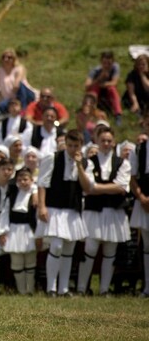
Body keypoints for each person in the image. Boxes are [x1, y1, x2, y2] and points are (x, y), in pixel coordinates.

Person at [36, 129, 91, 297]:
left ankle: (63, 288)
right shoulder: (53, 158)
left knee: (69, 249)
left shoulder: (85, 163)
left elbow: (87, 187)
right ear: (65, 144)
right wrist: (42, 206)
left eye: (76, 146)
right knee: (57, 245)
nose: (73, 149)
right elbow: (42, 183)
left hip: (72, 210)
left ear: (81, 146)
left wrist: (80, 166)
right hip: (54, 208)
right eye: (70, 145)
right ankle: (51, 288)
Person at [77, 126, 131, 296]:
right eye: (103, 141)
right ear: (97, 141)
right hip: (94, 211)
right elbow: (88, 187)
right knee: (90, 250)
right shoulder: (89, 161)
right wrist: (111, 187)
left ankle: (104, 289)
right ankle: (81, 288)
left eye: (109, 141)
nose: (106, 144)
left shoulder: (122, 163)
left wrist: (98, 188)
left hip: (114, 212)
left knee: (110, 252)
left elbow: (122, 187)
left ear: (114, 142)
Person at [0, 166, 37, 295]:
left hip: (30, 230)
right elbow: (5, 214)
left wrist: (39, 234)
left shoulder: (35, 196)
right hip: (13, 230)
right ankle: (21, 290)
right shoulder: (12, 194)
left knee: (30, 261)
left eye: (26, 179)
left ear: (31, 180)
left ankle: (30, 290)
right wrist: (3, 232)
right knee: (16, 262)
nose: (23, 182)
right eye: (20, 179)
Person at [130, 114, 149, 297]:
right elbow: (133, 177)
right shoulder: (140, 149)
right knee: (146, 247)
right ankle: (147, 286)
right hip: (143, 202)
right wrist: (142, 197)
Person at [0, 49, 37, 113]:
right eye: (4, 57)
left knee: (21, 85)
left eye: (9, 57)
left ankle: (23, 110)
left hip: (24, 94)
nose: (6, 59)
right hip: (10, 98)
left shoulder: (19, 69)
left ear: (14, 59)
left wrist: (13, 99)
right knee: (1, 107)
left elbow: (16, 85)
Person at [85, 51, 122, 125]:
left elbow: (114, 82)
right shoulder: (95, 70)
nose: (107, 66)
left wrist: (103, 84)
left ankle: (118, 115)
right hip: (97, 92)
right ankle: (90, 111)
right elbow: (87, 86)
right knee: (94, 89)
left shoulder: (115, 67)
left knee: (112, 89)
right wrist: (99, 78)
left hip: (107, 91)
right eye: (104, 63)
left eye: (109, 63)